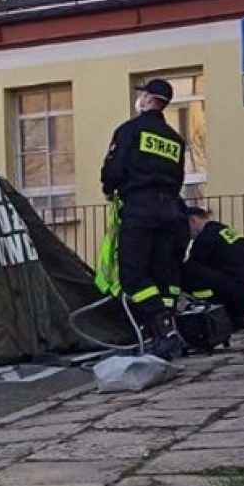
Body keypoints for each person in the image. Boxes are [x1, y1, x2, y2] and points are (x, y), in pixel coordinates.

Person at [100, 78, 190, 358]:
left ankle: (163, 326)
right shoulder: (174, 139)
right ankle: (163, 334)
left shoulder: (130, 130)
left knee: (135, 275)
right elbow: (178, 178)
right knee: (162, 276)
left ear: (149, 99)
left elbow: (114, 168)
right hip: (171, 210)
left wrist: (108, 188)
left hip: (140, 208)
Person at [182, 205, 244, 332]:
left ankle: (204, 315)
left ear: (192, 220)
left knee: (188, 269)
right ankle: (237, 319)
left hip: (241, 291)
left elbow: (193, 266)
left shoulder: (205, 239)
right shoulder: (220, 230)